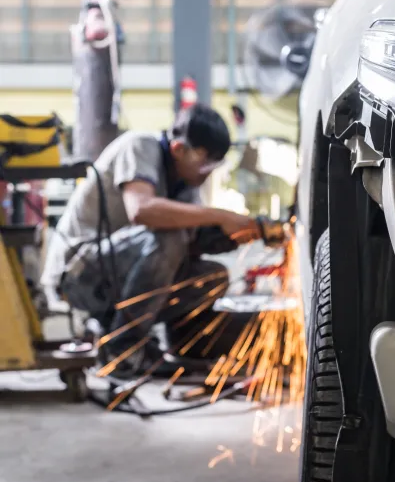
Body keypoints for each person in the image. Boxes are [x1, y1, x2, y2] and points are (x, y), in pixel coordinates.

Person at [41, 103, 287, 366]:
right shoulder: (139, 146)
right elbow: (142, 210)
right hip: (80, 273)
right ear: (178, 149)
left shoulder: (185, 183)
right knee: (170, 237)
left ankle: (175, 347)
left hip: (117, 275)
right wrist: (221, 215)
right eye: (204, 166)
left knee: (212, 277)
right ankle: (123, 351)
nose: (207, 175)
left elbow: (193, 243)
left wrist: (241, 232)